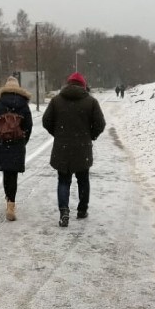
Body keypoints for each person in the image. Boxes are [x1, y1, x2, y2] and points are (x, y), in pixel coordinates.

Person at [42, 72, 106, 227]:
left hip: (62, 148)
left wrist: (57, 133)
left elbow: (46, 121)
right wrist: (91, 135)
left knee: (63, 180)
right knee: (83, 180)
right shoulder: (91, 102)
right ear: (83, 86)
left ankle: (64, 211)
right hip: (82, 148)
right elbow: (100, 123)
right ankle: (82, 210)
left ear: (68, 84)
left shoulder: (56, 101)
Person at [0, 76, 33, 221]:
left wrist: (2, 128)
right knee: (13, 174)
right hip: (17, 142)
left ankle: (8, 198)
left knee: (6, 173)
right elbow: (28, 125)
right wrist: (22, 139)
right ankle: (11, 204)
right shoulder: (24, 104)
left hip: (2, 142)